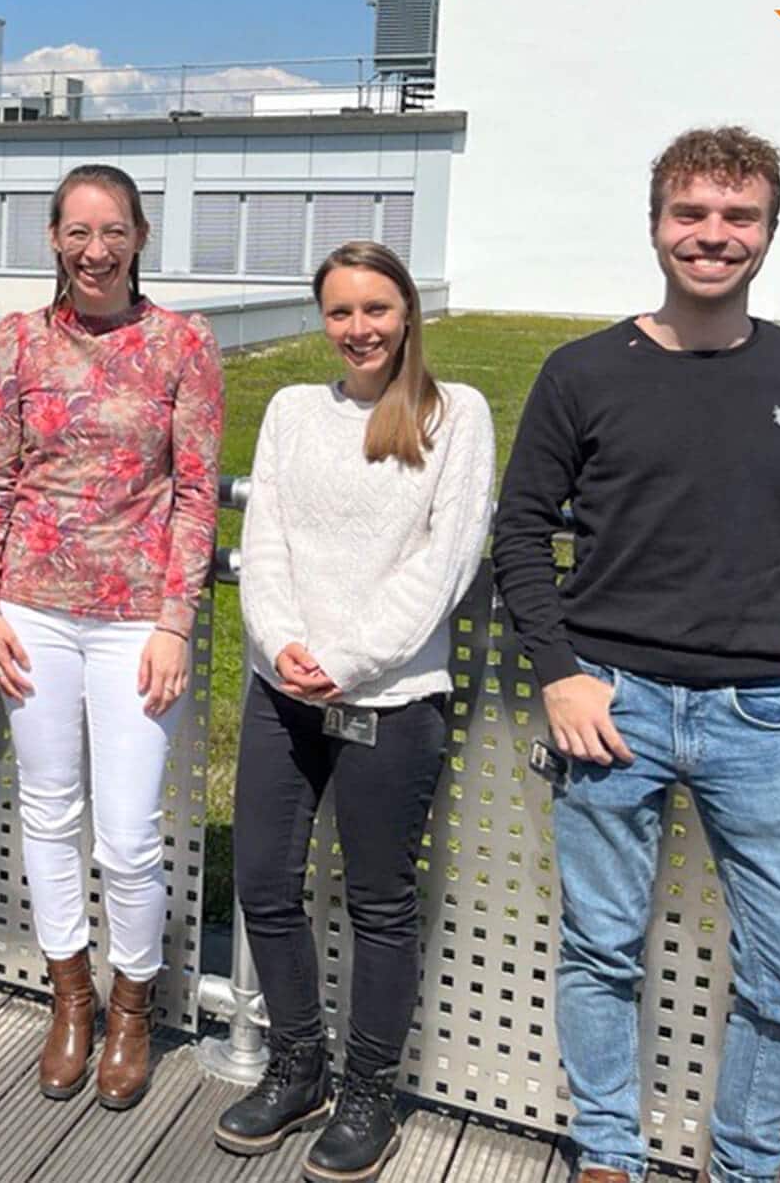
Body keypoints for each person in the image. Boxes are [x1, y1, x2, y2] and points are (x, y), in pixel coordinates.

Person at [491, 126, 780, 1183]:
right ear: (656, 225)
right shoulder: (581, 372)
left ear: (770, 233)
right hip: (609, 708)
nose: (713, 234)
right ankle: (607, 1149)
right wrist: (559, 674)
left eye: (740, 216)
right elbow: (519, 534)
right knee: (600, 950)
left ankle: (742, 1161)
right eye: (690, 212)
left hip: (761, 714)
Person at [214, 242, 494, 1181]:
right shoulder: (293, 411)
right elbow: (265, 541)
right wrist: (283, 643)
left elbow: (445, 562)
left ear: (407, 312)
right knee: (263, 882)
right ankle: (297, 1066)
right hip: (282, 689)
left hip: (392, 698)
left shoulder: (455, 415)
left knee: (379, 902)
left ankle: (369, 1090)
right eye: (340, 311)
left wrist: (346, 660)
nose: (359, 328)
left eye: (376, 308)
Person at [0, 163, 223, 1110]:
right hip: (32, 611)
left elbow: (197, 492)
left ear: (140, 237)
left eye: (113, 230)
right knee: (46, 812)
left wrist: (176, 619)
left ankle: (131, 1007)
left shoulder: (183, 345)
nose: (95, 249)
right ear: (53, 239)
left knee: (127, 835)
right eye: (77, 231)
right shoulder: (16, 341)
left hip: (135, 625)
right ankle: (69, 996)